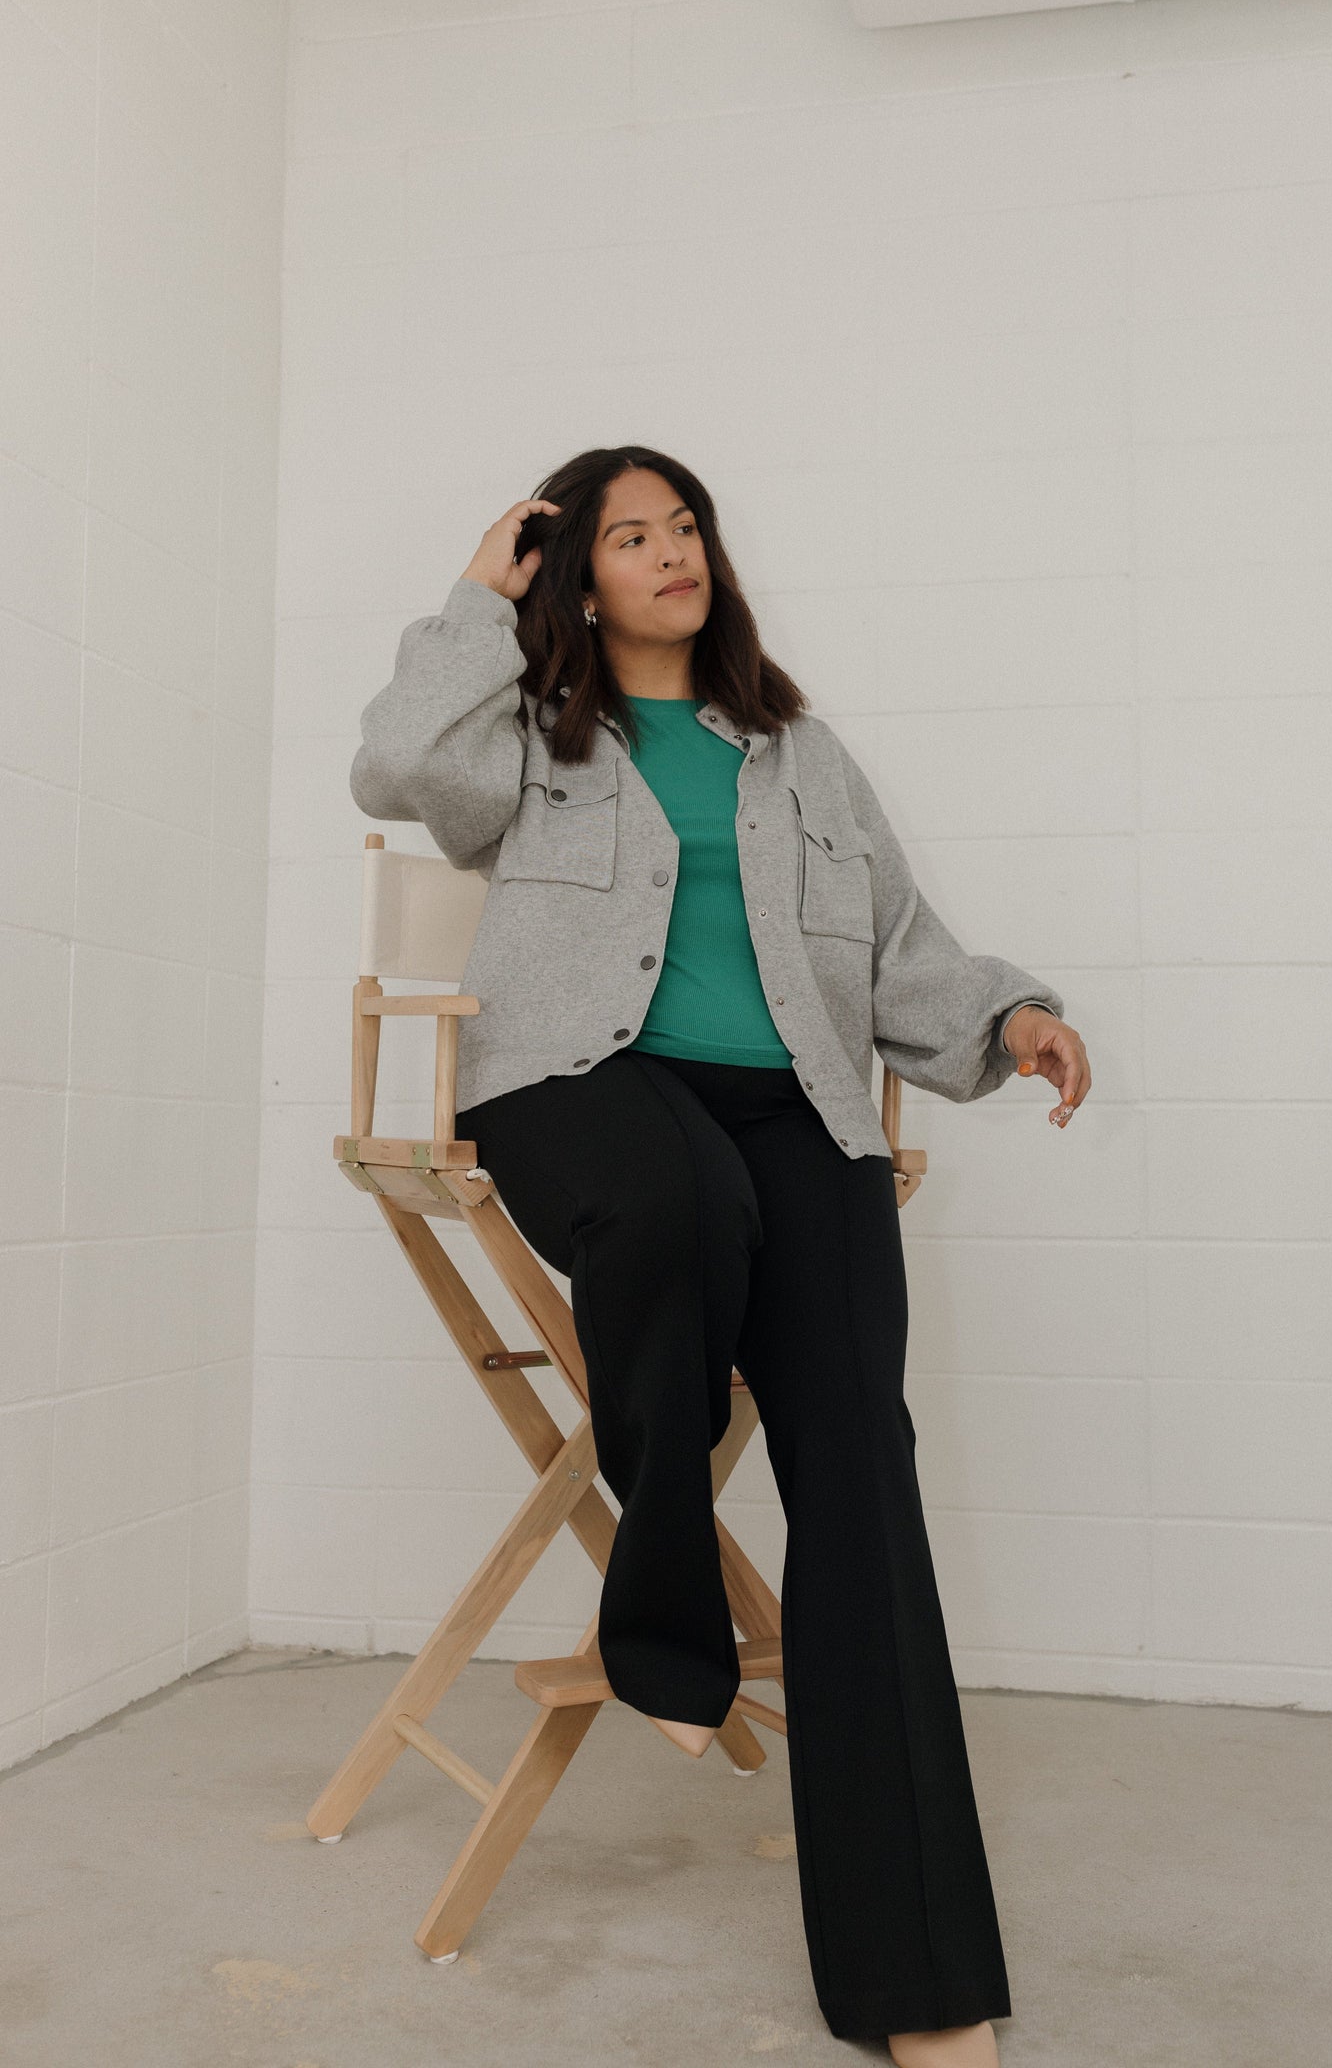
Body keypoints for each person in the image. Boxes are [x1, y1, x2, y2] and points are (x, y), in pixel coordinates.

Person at [349, 446, 1092, 2066]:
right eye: (626, 534)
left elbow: (899, 946)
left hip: (794, 1112)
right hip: (575, 1086)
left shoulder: (800, 755)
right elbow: (395, 766)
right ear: (576, 572)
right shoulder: (528, 741)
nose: (669, 552)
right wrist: (479, 597)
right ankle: (666, 1621)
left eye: (682, 525)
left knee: (859, 1464)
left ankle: (920, 1982)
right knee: (684, 1202)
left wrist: (1007, 1014)